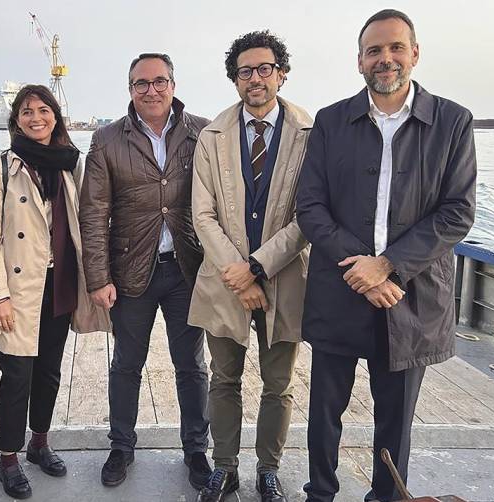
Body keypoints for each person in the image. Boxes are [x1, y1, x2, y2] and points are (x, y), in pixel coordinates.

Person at [296, 9, 477, 501]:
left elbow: (457, 212)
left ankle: (386, 496)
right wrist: (364, 269)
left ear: (415, 53)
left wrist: (388, 264)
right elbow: (310, 206)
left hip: (409, 295)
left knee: (395, 417)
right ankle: (321, 493)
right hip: (341, 287)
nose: (386, 59)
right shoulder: (332, 121)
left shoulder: (452, 122)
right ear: (359, 61)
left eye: (396, 47)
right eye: (374, 50)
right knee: (325, 410)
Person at [0, 84, 110, 499]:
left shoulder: (70, 163)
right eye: (27, 111)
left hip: (60, 282)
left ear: (55, 116)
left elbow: (88, 219)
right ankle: (8, 457)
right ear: (16, 120)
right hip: (17, 287)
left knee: (48, 369)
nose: (36, 118)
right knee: (16, 375)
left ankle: (40, 443)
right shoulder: (1, 167)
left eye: (43, 110)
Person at [79, 53, 212, 489]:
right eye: (141, 83)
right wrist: (98, 278)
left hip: (187, 269)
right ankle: (121, 446)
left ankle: (196, 450)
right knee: (126, 364)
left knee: (191, 366)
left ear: (173, 84)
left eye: (159, 81)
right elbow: (93, 212)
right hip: (131, 270)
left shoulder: (204, 132)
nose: (150, 91)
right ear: (130, 89)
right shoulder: (106, 139)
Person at [190, 30, 312, 502]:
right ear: (234, 80)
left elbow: (310, 215)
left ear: (281, 74)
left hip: (284, 279)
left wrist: (257, 267)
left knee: (278, 386)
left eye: (265, 69)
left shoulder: (309, 133)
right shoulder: (212, 136)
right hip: (224, 281)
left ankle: (268, 468)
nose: (255, 78)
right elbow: (202, 214)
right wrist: (238, 275)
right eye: (245, 71)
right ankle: (224, 468)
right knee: (223, 380)